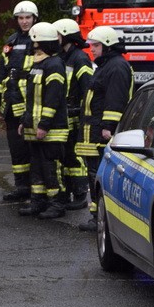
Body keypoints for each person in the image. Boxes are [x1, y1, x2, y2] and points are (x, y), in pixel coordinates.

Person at [75, 25, 134, 231]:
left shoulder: (116, 67)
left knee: (99, 174)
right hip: (95, 130)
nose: (92, 49)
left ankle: (101, 218)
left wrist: (109, 126)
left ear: (108, 46)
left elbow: (115, 99)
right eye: (92, 45)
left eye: (96, 45)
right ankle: (97, 216)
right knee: (94, 173)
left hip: (102, 132)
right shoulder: (107, 65)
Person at [17, 22, 69, 219]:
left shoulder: (54, 65)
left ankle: (57, 204)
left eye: (35, 41)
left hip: (51, 129)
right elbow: (31, 98)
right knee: (36, 166)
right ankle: (38, 202)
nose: (32, 45)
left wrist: (45, 124)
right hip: (35, 127)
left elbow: (53, 98)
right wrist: (25, 120)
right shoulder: (37, 64)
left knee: (51, 167)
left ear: (41, 43)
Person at [0, 0, 37, 202]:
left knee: (33, 149)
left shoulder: (41, 39)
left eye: (27, 18)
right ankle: (21, 187)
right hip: (11, 103)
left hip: (31, 103)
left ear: (35, 18)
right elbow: (2, 71)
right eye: (21, 18)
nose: (24, 21)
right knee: (16, 149)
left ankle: (37, 189)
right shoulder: (11, 41)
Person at [53, 18, 93, 211]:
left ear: (66, 35)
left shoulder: (80, 58)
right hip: (64, 114)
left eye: (58, 34)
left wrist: (83, 111)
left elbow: (88, 88)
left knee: (75, 156)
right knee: (65, 156)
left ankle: (79, 194)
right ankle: (69, 191)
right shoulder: (62, 56)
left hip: (75, 115)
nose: (55, 38)